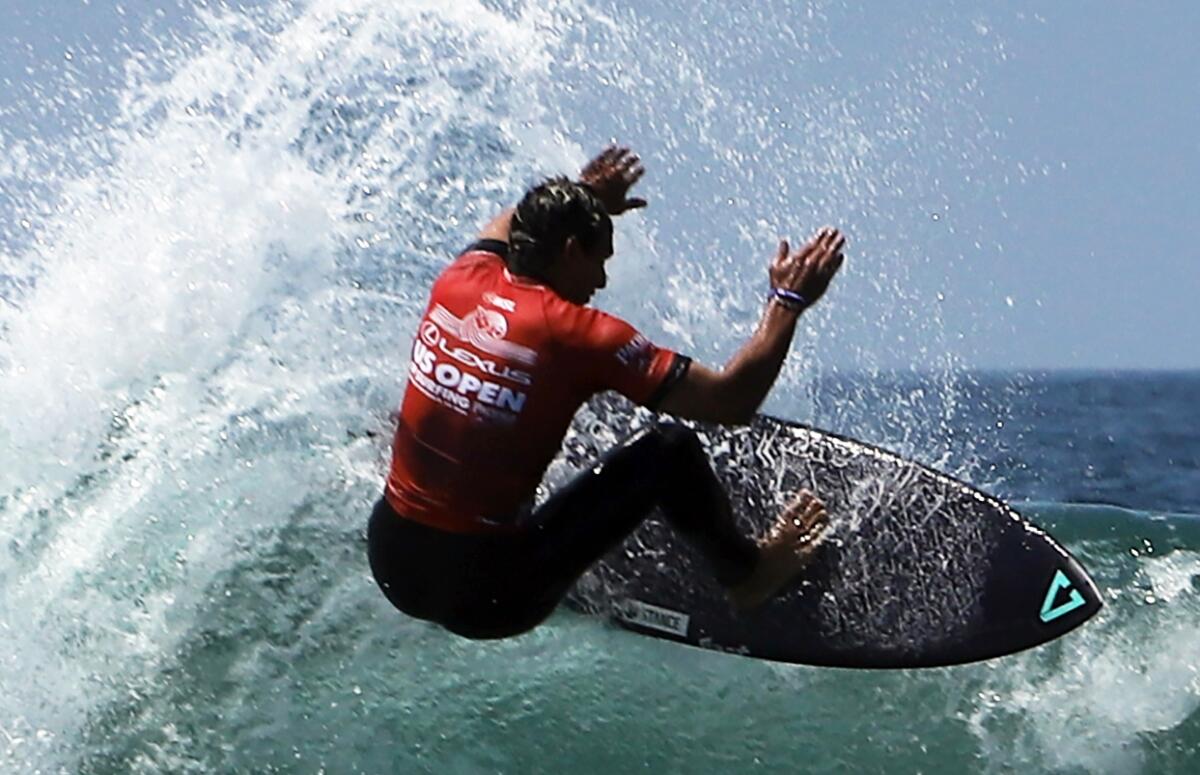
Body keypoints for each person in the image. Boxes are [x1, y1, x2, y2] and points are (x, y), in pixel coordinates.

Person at [368, 146, 846, 639]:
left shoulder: (462, 277)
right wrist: (787, 302)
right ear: (572, 250)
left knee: (511, 402)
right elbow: (731, 402)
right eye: (599, 261)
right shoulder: (578, 333)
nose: (600, 281)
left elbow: (511, 224)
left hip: (392, 564)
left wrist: (585, 195)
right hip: (490, 595)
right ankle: (749, 574)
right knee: (668, 450)